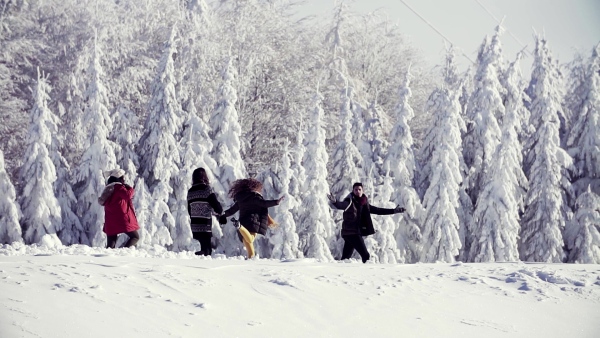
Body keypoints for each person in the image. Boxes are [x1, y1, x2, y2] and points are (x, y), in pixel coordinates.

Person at [328, 182, 405, 263]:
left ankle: (340, 273)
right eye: (356, 189)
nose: (357, 191)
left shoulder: (364, 203)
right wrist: (335, 202)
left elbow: (378, 210)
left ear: (362, 191)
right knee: (365, 255)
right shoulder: (350, 202)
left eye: (359, 189)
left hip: (350, 234)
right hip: (353, 233)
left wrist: (394, 211)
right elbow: (341, 205)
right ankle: (367, 273)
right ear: (353, 191)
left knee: (345, 258)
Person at [219, 178, 284, 259]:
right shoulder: (255, 197)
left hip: (243, 221)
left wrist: (222, 214)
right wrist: (276, 202)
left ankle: (251, 261)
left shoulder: (241, 200)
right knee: (251, 239)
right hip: (254, 222)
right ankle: (240, 227)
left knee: (250, 249)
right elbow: (264, 203)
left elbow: (231, 211)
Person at [98, 169, 140, 249]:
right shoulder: (118, 188)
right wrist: (130, 189)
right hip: (121, 220)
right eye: (123, 177)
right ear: (120, 178)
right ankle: (123, 252)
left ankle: (108, 259)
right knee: (135, 237)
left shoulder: (108, 189)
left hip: (110, 221)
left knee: (110, 246)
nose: (124, 179)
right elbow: (128, 196)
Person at [187, 167, 223, 256]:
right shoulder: (207, 189)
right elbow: (217, 207)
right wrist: (219, 212)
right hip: (205, 224)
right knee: (207, 249)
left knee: (203, 246)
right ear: (204, 177)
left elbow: (189, 210)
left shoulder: (190, 191)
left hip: (195, 225)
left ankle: (200, 258)